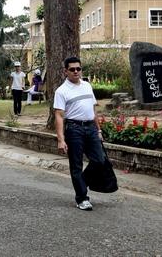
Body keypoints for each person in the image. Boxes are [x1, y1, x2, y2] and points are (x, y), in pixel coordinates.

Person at [54, 56, 104, 211]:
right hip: (74, 129)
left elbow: (93, 110)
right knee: (76, 165)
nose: (76, 72)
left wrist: (99, 129)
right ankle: (82, 198)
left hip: (91, 128)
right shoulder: (61, 91)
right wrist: (61, 140)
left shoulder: (87, 86)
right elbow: (59, 116)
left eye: (78, 68)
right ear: (65, 71)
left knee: (99, 161)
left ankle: (81, 181)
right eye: (72, 69)